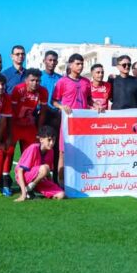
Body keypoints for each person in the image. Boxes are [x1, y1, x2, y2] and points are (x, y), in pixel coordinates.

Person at [52, 54, 94, 184]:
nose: (80, 66)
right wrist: (61, 106)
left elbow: (89, 100)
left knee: (83, 150)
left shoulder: (86, 82)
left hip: (82, 123)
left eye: (82, 64)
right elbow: (54, 101)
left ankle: (81, 181)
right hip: (68, 123)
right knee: (63, 152)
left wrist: (95, 105)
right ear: (70, 65)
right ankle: (61, 182)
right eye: (77, 64)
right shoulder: (62, 82)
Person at [6, 69, 48, 181]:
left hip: (29, 125)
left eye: (38, 81)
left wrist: (39, 130)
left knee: (33, 151)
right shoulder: (18, 89)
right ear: (26, 80)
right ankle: (5, 179)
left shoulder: (43, 91)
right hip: (15, 124)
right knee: (9, 151)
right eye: (32, 80)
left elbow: (43, 112)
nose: (35, 83)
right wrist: (11, 127)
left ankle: (29, 178)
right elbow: (11, 110)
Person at [14, 125, 65, 201]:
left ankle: (31, 191)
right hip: (24, 177)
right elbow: (20, 171)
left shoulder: (51, 151)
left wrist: (51, 185)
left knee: (61, 195)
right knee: (45, 168)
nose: (52, 143)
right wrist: (23, 194)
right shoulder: (33, 148)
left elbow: (47, 173)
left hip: (39, 179)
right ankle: (27, 190)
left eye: (53, 140)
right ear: (41, 139)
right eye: (49, 140)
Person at [40, 50, 63, 180]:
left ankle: (55, 178)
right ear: (44, 61)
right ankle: (40, 176)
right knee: (42, 146)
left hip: (56, 116)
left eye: (54, 60)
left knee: (55, 146)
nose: (52, 62)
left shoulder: (60, 78)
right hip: (42, 115)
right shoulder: (39, 77)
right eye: (50, 60)